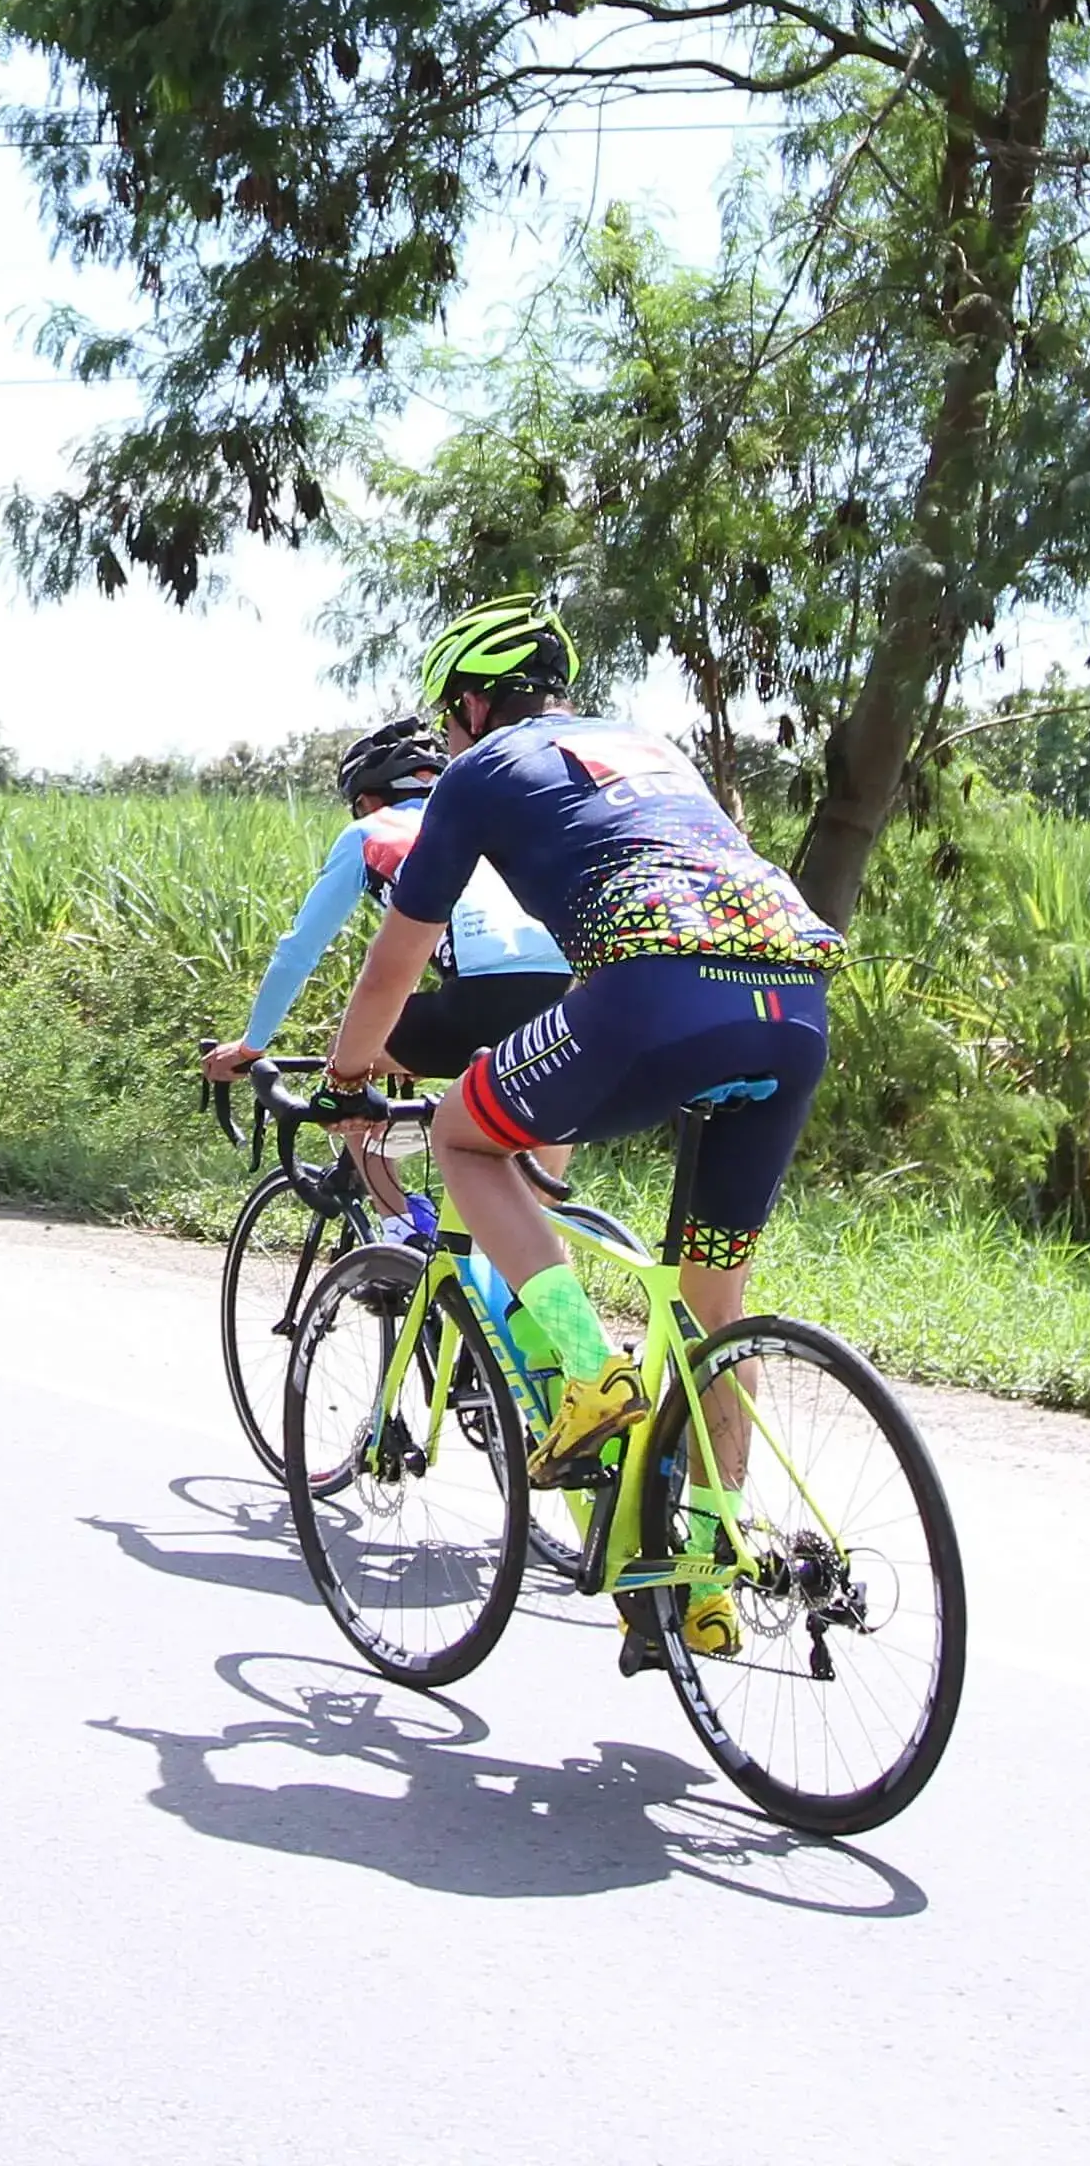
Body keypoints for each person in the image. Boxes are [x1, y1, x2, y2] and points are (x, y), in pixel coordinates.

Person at [322, 594, 842, 1666]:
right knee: (711, 1311)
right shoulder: (651, 747)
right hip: (794, 1004)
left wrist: (349, 1067)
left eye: (447, 712)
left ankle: (584, 1362)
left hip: (655, 986)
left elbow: (399, 958)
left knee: (469, 1140)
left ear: (469, 704)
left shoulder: (480, 768)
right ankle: (702, 1572)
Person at [195, 713, 571, 1219]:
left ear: (367, 800)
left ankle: (399, 1224)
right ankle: (536, 1253)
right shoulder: (486, 820)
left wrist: (251, 1045)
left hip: (473, 1005)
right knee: (532, 1216)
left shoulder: (370, 831)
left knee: (346, 1056)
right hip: (564, 1000)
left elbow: (298, 951)